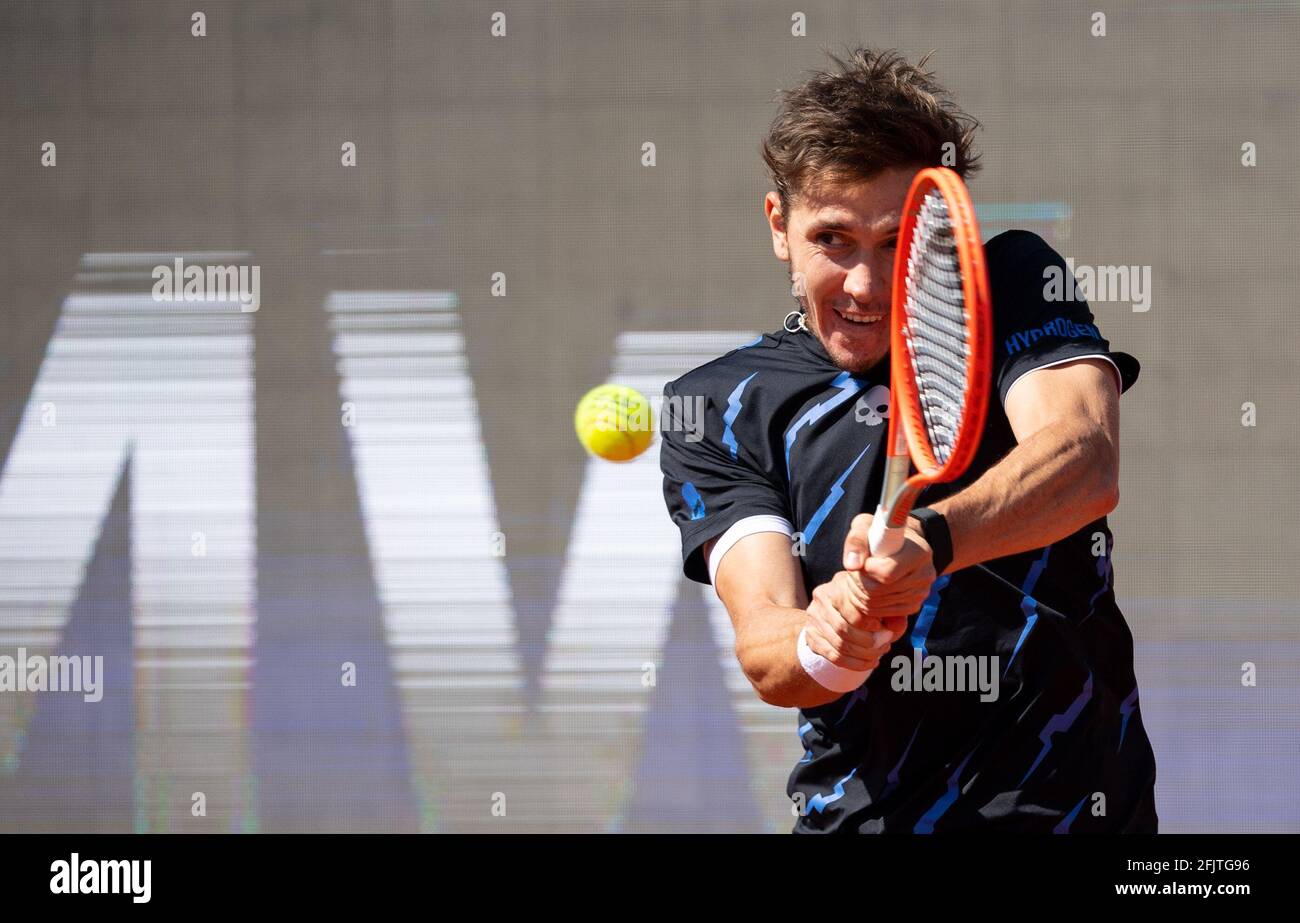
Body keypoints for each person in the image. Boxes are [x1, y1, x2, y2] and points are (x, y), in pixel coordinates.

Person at [658, 48, 1157, 832]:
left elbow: (1084, 456)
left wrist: (933, 537)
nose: (863, 283)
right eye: (832, 239)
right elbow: (767, 646)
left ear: (937, 236)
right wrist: (837, 640)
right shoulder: (716, 405)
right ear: (778, 226)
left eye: (894, 242)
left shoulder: (1012, 286)